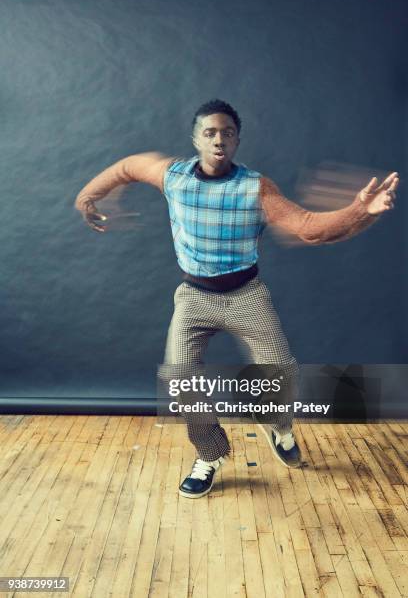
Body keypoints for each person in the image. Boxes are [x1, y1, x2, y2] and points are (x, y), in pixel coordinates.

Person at [74, 99, 399, 499]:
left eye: (227, 133)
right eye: (209, 132)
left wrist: (359, 209)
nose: (218, 140)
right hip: (194, 297)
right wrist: (86, 197)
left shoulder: (255, 187)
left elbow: (310, 228)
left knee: (282, 372)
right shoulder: (172, 176)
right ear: (195, 139)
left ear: (237, 140)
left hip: (246, 295)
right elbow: (126, 168)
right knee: (179, 379)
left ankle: (278, 426)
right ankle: (209, 454)